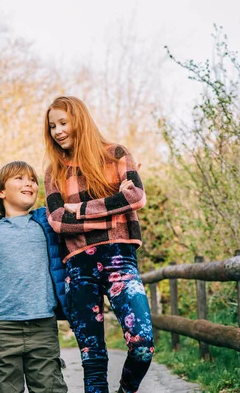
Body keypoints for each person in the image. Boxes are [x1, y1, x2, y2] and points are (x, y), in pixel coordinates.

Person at [43, 96, 154, 393]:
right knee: (93, 361)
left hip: (120, 258)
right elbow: (56, 220)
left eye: (63, 123)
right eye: (52, 126)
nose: (58, 131)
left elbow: (136, 198)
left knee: (142, 344)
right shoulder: (54, 171)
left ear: (80, 120)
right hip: (78, 265)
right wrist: (113, 212)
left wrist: (77, 210)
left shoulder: (116, 154)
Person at [0, 161, 68, 393]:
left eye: (33, 180)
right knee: (3, 388)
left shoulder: (48, 222)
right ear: (0, 191)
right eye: (19, 178)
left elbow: (77, 200)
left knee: (50, 387)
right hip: (1, 326)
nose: (29, 183)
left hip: (43, 323)